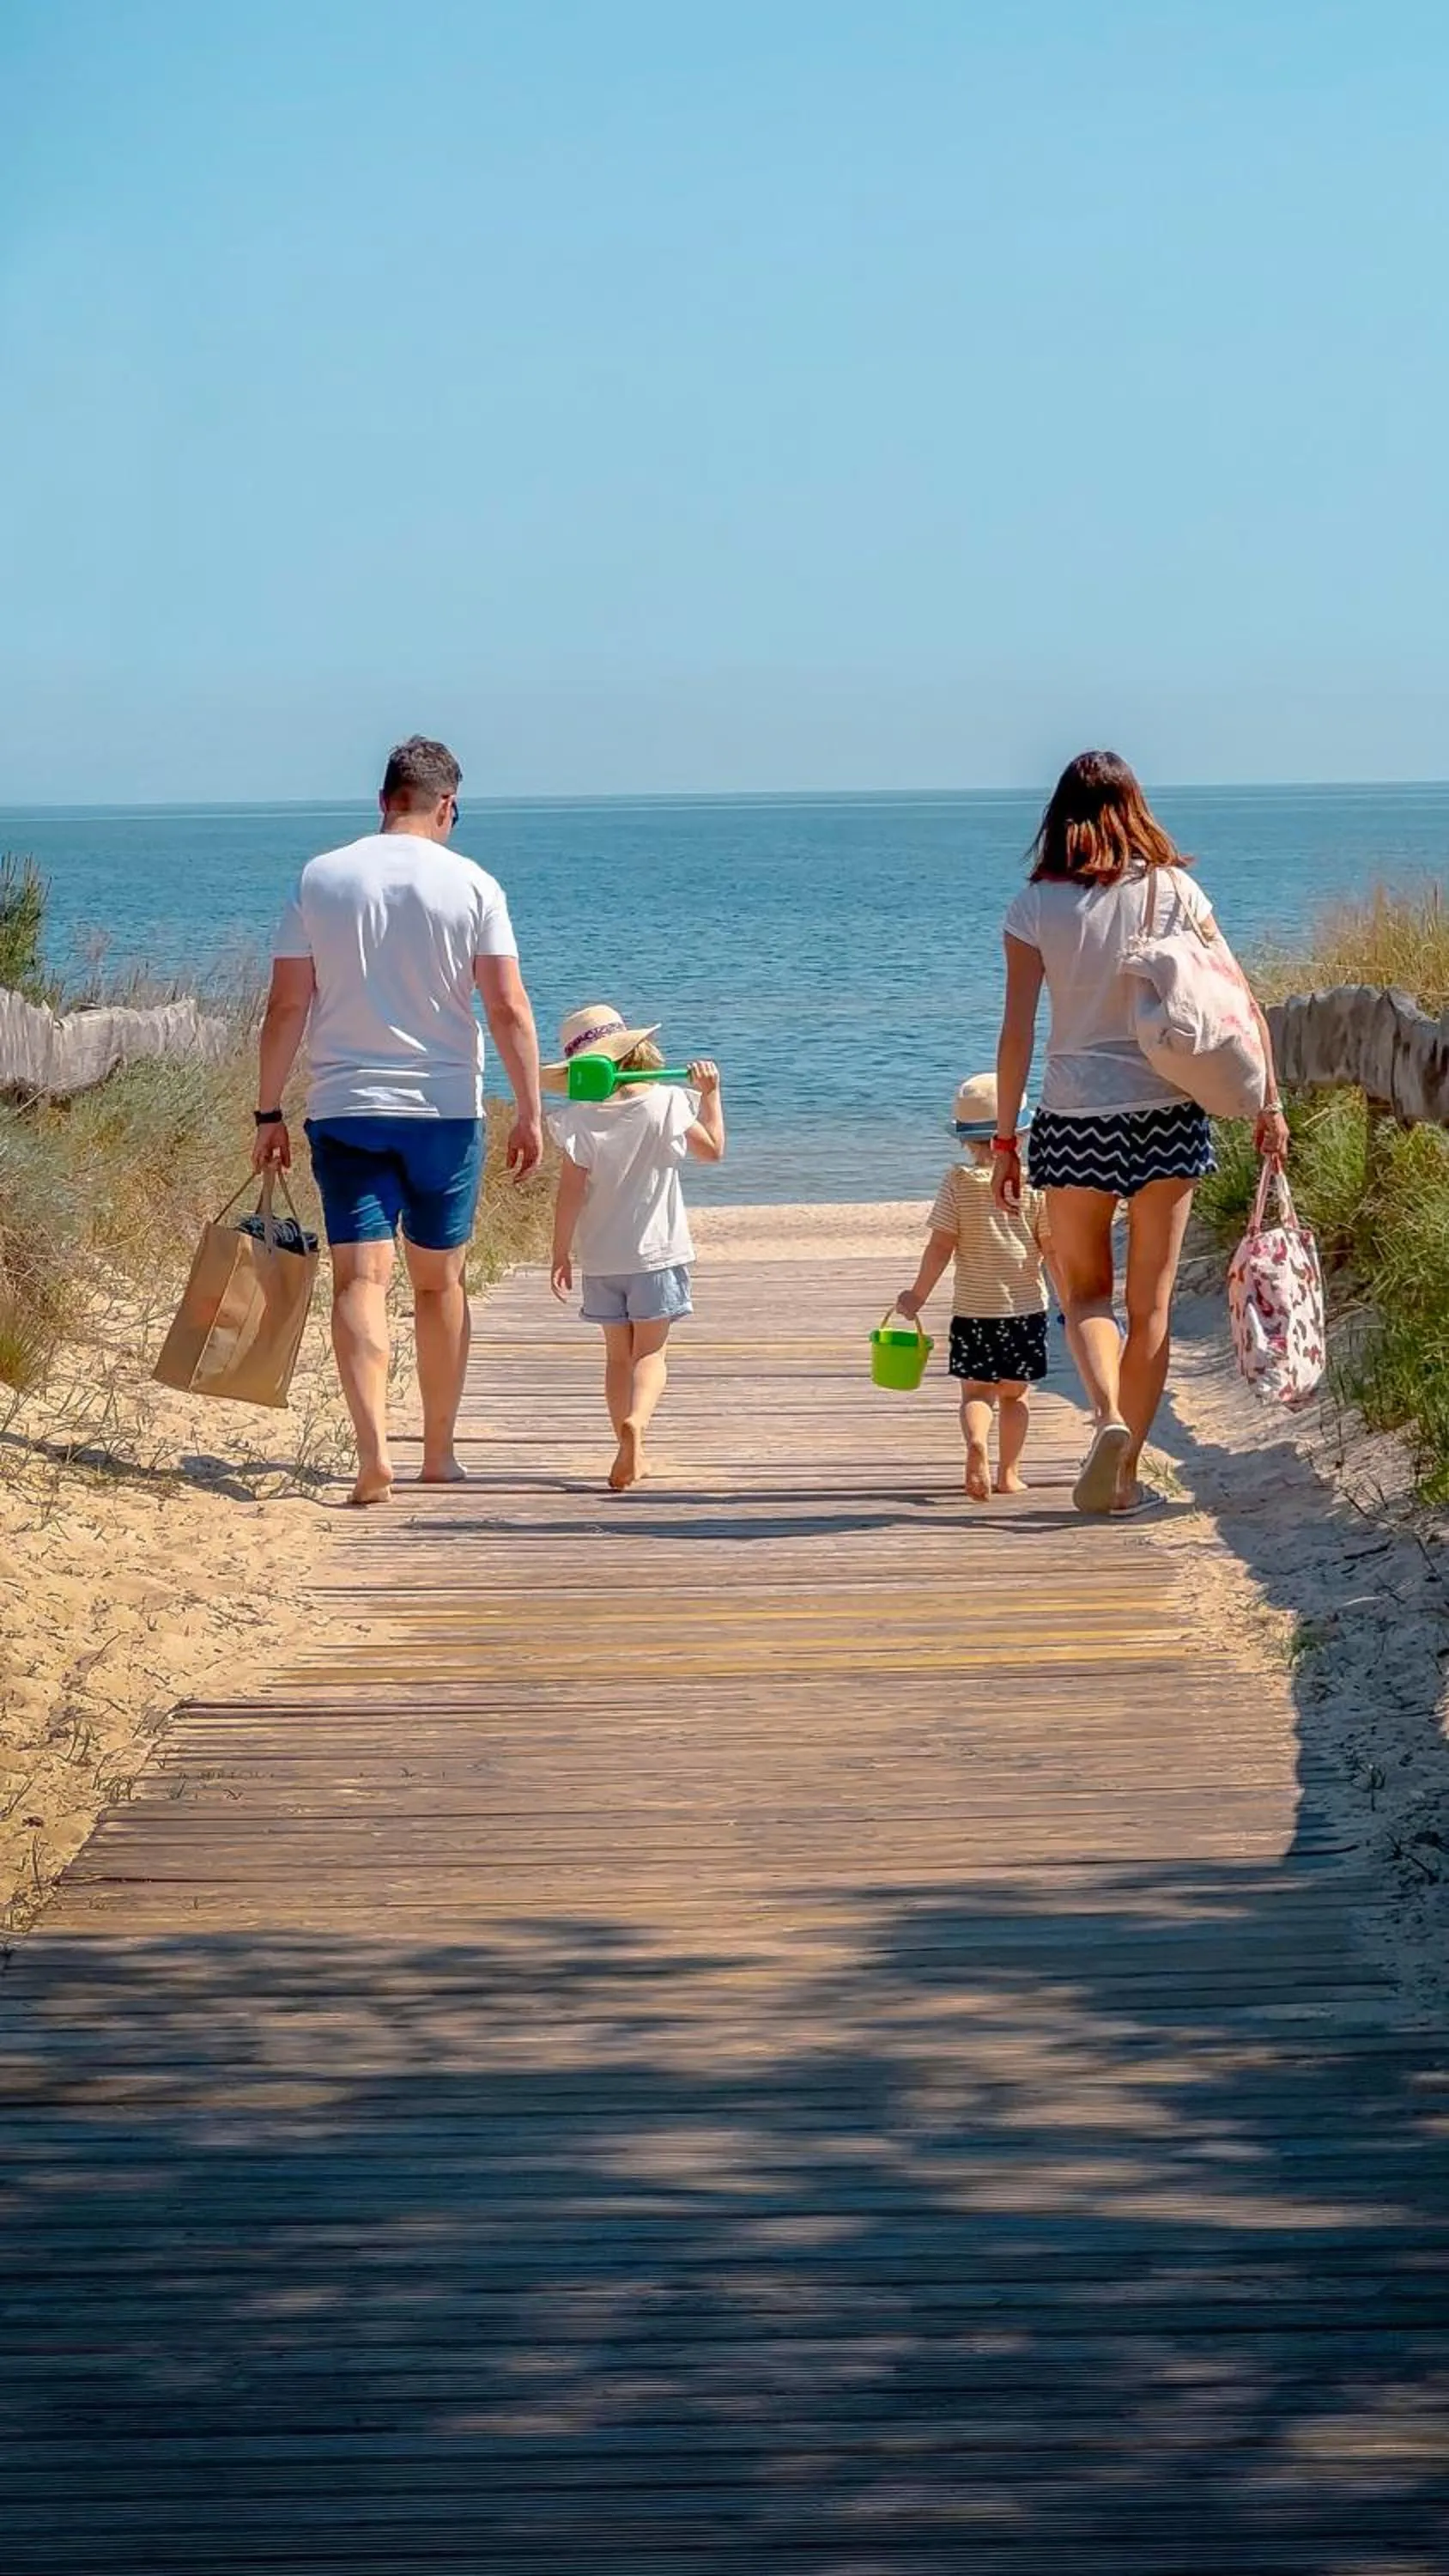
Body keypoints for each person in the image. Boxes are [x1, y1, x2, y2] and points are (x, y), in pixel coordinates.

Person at [992, 749, 1287, 1516]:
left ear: (1058, 816)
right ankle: (1123, 1484)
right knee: (1150, 1304)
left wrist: (1003, 1138)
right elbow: (1238, 1002)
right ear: (1136, 808)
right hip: (1168, 1112)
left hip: (1074, 1119)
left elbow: (1017, 1033)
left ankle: (1109, 1419)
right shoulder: (1178, 892)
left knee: (1086, 1292)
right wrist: (1270, 1106)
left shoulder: (1033, 909)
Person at [252, 735, 543, 1506]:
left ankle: (372, 1452)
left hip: (346, 1106)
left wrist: (268, 1108)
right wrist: (529, 1112)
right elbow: (507, 1007)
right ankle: (438, 1454)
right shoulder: (473, 884)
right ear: (446, 806)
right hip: (444, 1111)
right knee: (439, 1286)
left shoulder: (321, 878)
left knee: (359, 1278)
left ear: (383, 799)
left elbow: (287, 1007)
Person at [545, 1005, 724, 1492]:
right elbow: (713, 1150)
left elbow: (569, 1195)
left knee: (616, 1359)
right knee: (652, 1355)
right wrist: (710, 1095)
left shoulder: (578, 1119)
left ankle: (627, 1446)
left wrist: (561, 1252)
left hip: (602, 1260)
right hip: (657, 1256)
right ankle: (639, 1426)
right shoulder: (666, 1101)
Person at [895, 1074, 1051, 1500]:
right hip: (1024, 1312)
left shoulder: (957, 1184)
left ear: (965, 1140)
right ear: (1019, 1134)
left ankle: (976, 1444)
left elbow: (940, 1245)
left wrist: (917, 1295)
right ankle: (1009, 1473)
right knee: (1015, 1399)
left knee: (975, 1393)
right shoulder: (1035, 1186)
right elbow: (1051, 1248)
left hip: (972, 1312)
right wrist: (1073, 1299)